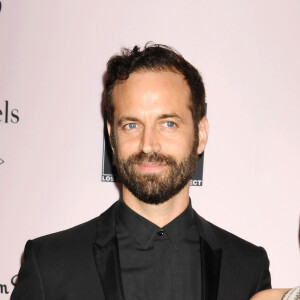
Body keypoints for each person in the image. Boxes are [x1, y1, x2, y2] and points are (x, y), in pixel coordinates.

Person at [11, 43, 271, 300]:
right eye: (132, 125)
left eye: (168, 123)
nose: (148, 145)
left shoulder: (248, 268)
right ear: (112, 137)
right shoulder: (50, 264)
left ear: (200, 134)